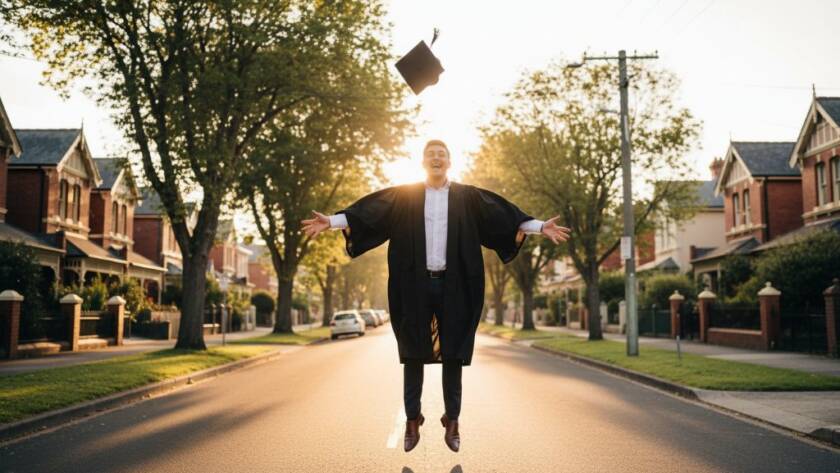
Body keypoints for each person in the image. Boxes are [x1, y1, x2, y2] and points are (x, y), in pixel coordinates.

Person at [302, 139, 569, 453]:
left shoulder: (468, 198)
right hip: (413, 285)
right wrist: (332, 222)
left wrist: (538, 227)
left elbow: (503, 216)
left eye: (442, 154)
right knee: (413, 350)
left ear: (450, 161)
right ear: (423, 161)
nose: (436, 158)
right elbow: (369, 212)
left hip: (455, 284)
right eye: (431, 154)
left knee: (453, 351)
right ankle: (413, 419)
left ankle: (452, 420)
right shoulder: (405, 196)